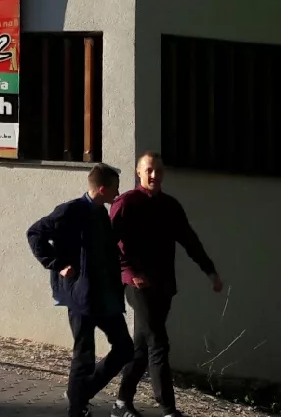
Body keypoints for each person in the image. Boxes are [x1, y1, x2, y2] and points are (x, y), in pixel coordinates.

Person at [110, 152, 222, 417]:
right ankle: (168, 409)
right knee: (158, 343)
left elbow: (189, 240)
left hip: (163, 286)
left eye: (158, 170)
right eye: (148, 170)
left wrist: (210, 271)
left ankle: (121, 403)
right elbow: (110, 242)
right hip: (137, 286)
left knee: (142, 347)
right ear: (138, 172)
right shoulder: (126, 203)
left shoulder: (170, 206)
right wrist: (130, 271)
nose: (154, 175)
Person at [28, 164, 135, 417]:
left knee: (124, 348)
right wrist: (57, 264)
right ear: (102, 189)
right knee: (84, 354)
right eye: (115, 187)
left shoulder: (101, 213)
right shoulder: (71, 211)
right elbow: (35, 233)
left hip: (105, 296)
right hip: (81, 294)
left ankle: (80, 393)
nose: (118, 192)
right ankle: (77, 408)